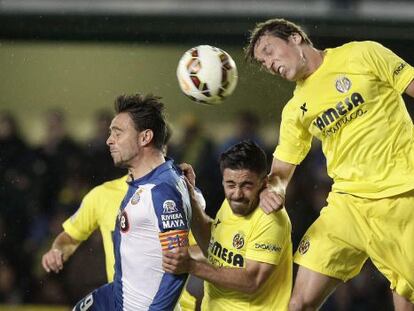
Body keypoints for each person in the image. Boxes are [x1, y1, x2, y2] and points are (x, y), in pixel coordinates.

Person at [245, 18, 414, 310]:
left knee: (406, 294)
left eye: (270, 51)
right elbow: (282, 170)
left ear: (295, 38)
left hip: (402, 196)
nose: (269, 64)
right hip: (347, 206)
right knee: (298, 303)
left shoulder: (363, 53)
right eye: (263, 62)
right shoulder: (295, 110)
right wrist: (273, 191)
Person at [69, 93, 192, 311]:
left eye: (118, 133)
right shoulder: (145, 180)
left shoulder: (161, 191)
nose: (109, 140)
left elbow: (179, 266)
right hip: (117, 298)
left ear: (145, 137)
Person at [163, 140, 292, 310]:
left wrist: (191, 266)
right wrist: (190, 198)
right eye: (230, 184)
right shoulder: (231, 203)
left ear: (264, 183)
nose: (237, 194)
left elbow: (251, 281)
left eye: (247, 185)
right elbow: (212, 247)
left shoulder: (270, 219)